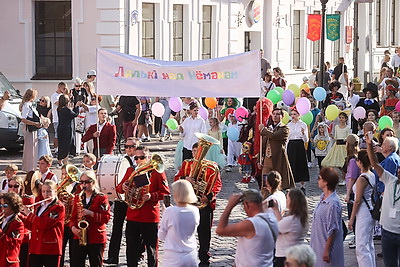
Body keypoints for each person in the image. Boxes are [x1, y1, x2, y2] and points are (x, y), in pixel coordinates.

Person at [116, 145, 170, 266]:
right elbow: (118, 188)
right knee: (131, 249)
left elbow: (165, 192)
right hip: (133, 216)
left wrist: (152, 196)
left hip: (149, 216)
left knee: (151, 249)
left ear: (148, 157)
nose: (139, 160)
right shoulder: (131, 171)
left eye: (142, 157)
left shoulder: (157, 172)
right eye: (136, 158)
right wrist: (123, 187)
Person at [174, 142, 222, 266]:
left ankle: (204, 257)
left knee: (204, 231)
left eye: (199, 151)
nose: (196, 154)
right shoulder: (187, 164)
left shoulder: (212, 166)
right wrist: (186, 179)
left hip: (204, 203)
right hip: (188, 203)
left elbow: (217, 185)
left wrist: (209, 197)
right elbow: (176, 179)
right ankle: (186, 255)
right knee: (186, 231)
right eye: (194, 151)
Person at [216, 189, 279, 267]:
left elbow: (220, 230)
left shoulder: (251, 224)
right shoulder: (272, 218)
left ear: (246, 204)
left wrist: (229, 206)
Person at [366, 133, 400, 267]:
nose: (398, 172)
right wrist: (369, 144)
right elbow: (374, 163)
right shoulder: (390, 180)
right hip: (387, 232)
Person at [104, 138, 139, 265]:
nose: (129, 149)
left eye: (132, 146)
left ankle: (137, 254)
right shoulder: (121, 161)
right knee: (116, 227)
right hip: (122, 199)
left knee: (136, 230)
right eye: (127, 146)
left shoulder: (142, 160)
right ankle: (113, 255)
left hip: (136, 200)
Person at [70, 171, 111, 266]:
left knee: (96, 263)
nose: (84, 185)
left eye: (87, 182)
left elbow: (106, 218)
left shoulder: (101, 198)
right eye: (81, 182)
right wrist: (73, 228)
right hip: (79, 236)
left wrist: (91, 213)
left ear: (93, 182)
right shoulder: (78, 197)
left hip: (96, 237)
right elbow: (72, 218)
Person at [21, 180, 65, 267]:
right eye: (43, 191)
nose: (46, 194)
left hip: (50, 248)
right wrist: (20, 216)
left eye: (49, 191)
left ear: (55, 192)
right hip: (36, 247)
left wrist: (29, 214)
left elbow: (44, 224)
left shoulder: (58, 207)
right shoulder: (40, 206)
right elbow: (33, 225)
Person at [158, 180, 200, 267]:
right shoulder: (195, 210)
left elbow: (161, 236)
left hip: (174, 256)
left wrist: (165, 215)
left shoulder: (170, 212)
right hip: (191, 254)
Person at [310, 167, 344, 267]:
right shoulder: (322, 198)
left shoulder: (333, 203)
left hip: (325, 248)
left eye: (319, 178)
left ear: (326, 182)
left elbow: (333, 229)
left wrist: (326, 250)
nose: (318, 180)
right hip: (317, 245)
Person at [347, 150, 376, 266]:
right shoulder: (371, 174)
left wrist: (352, 218)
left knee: (361, 247)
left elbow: (358, 200)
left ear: (359, 162)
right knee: (368, 244)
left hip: (363, 212)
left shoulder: (362, 179)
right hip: (369, 209)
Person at [271, 188, 308, 267]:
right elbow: (282, 225)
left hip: (284, 256)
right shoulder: (302, 218)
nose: (286, 200)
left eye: (287, 198)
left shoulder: (291, 220)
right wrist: (276, 210)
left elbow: (275, 229)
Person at [259, 108, 295, 190]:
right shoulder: (269, 128)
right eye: (274, 114)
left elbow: (274, 136)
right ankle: (264, 200)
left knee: (278, 184)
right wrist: (259, 160)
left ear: (282, 116)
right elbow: (263, 145)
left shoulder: (285, 128)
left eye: (277, 114)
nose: (275, 116)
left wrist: (263, 130)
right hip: (267, 161)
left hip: (278, 161)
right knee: (265, 184)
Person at [287, 108, 309, 194]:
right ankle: (291, 185)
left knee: (301, 164)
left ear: (299, 115)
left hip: (299, 145)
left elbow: (306, 140)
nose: (293, 116)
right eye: (291, 114)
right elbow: (287, 138)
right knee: (292, 164)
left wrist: (303, 133)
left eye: (294, 114)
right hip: (291, 145)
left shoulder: (303, 124)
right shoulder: (289, 125)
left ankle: (303, 185)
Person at [0, 192, 25, 267]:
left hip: (8, 262)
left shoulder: (18, 223)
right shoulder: (2, 220)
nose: (2, 208)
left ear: (13, 206)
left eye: (5, 206)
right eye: (1, 205)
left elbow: (13, 243)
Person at [57, 94, 81, 167]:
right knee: (66, 145)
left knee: (62, 145)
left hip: (61, 128)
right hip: (66, 129)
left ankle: (63, 162)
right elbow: (75, 114)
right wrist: (76, 106)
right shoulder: (66, 110)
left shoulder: (59, 109)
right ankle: (61, 161)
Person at [21, 88, 41, 172]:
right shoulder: (26, 105)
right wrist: (34, 123)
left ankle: (32, 166)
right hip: (29, 128)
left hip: (33, 128)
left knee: (33, 147)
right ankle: (28, 167)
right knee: (29, 148)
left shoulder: (30, 104)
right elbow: (23, 119)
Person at [51, 82, 67, 156]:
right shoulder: (54, 96)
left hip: (63, 118)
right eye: (63, 88)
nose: (64, 90)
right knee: (57, 134)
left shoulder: (62, 95)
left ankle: (60, 147)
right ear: (59, 87)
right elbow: (59, 103)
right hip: (56, 118)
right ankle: (56, 148)